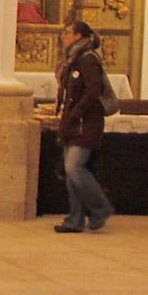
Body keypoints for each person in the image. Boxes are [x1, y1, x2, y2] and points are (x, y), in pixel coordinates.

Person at [53, 19, 115, 233]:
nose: (63, 36)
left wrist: (76, 113)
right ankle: (75, 219)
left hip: (85, 124)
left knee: (74, 167)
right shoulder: (73, 60)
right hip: (73, 123)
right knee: (71, 173)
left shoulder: (88, 59)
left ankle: (100, 209)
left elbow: (93, 91)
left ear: (78, 36)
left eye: (67, 32)